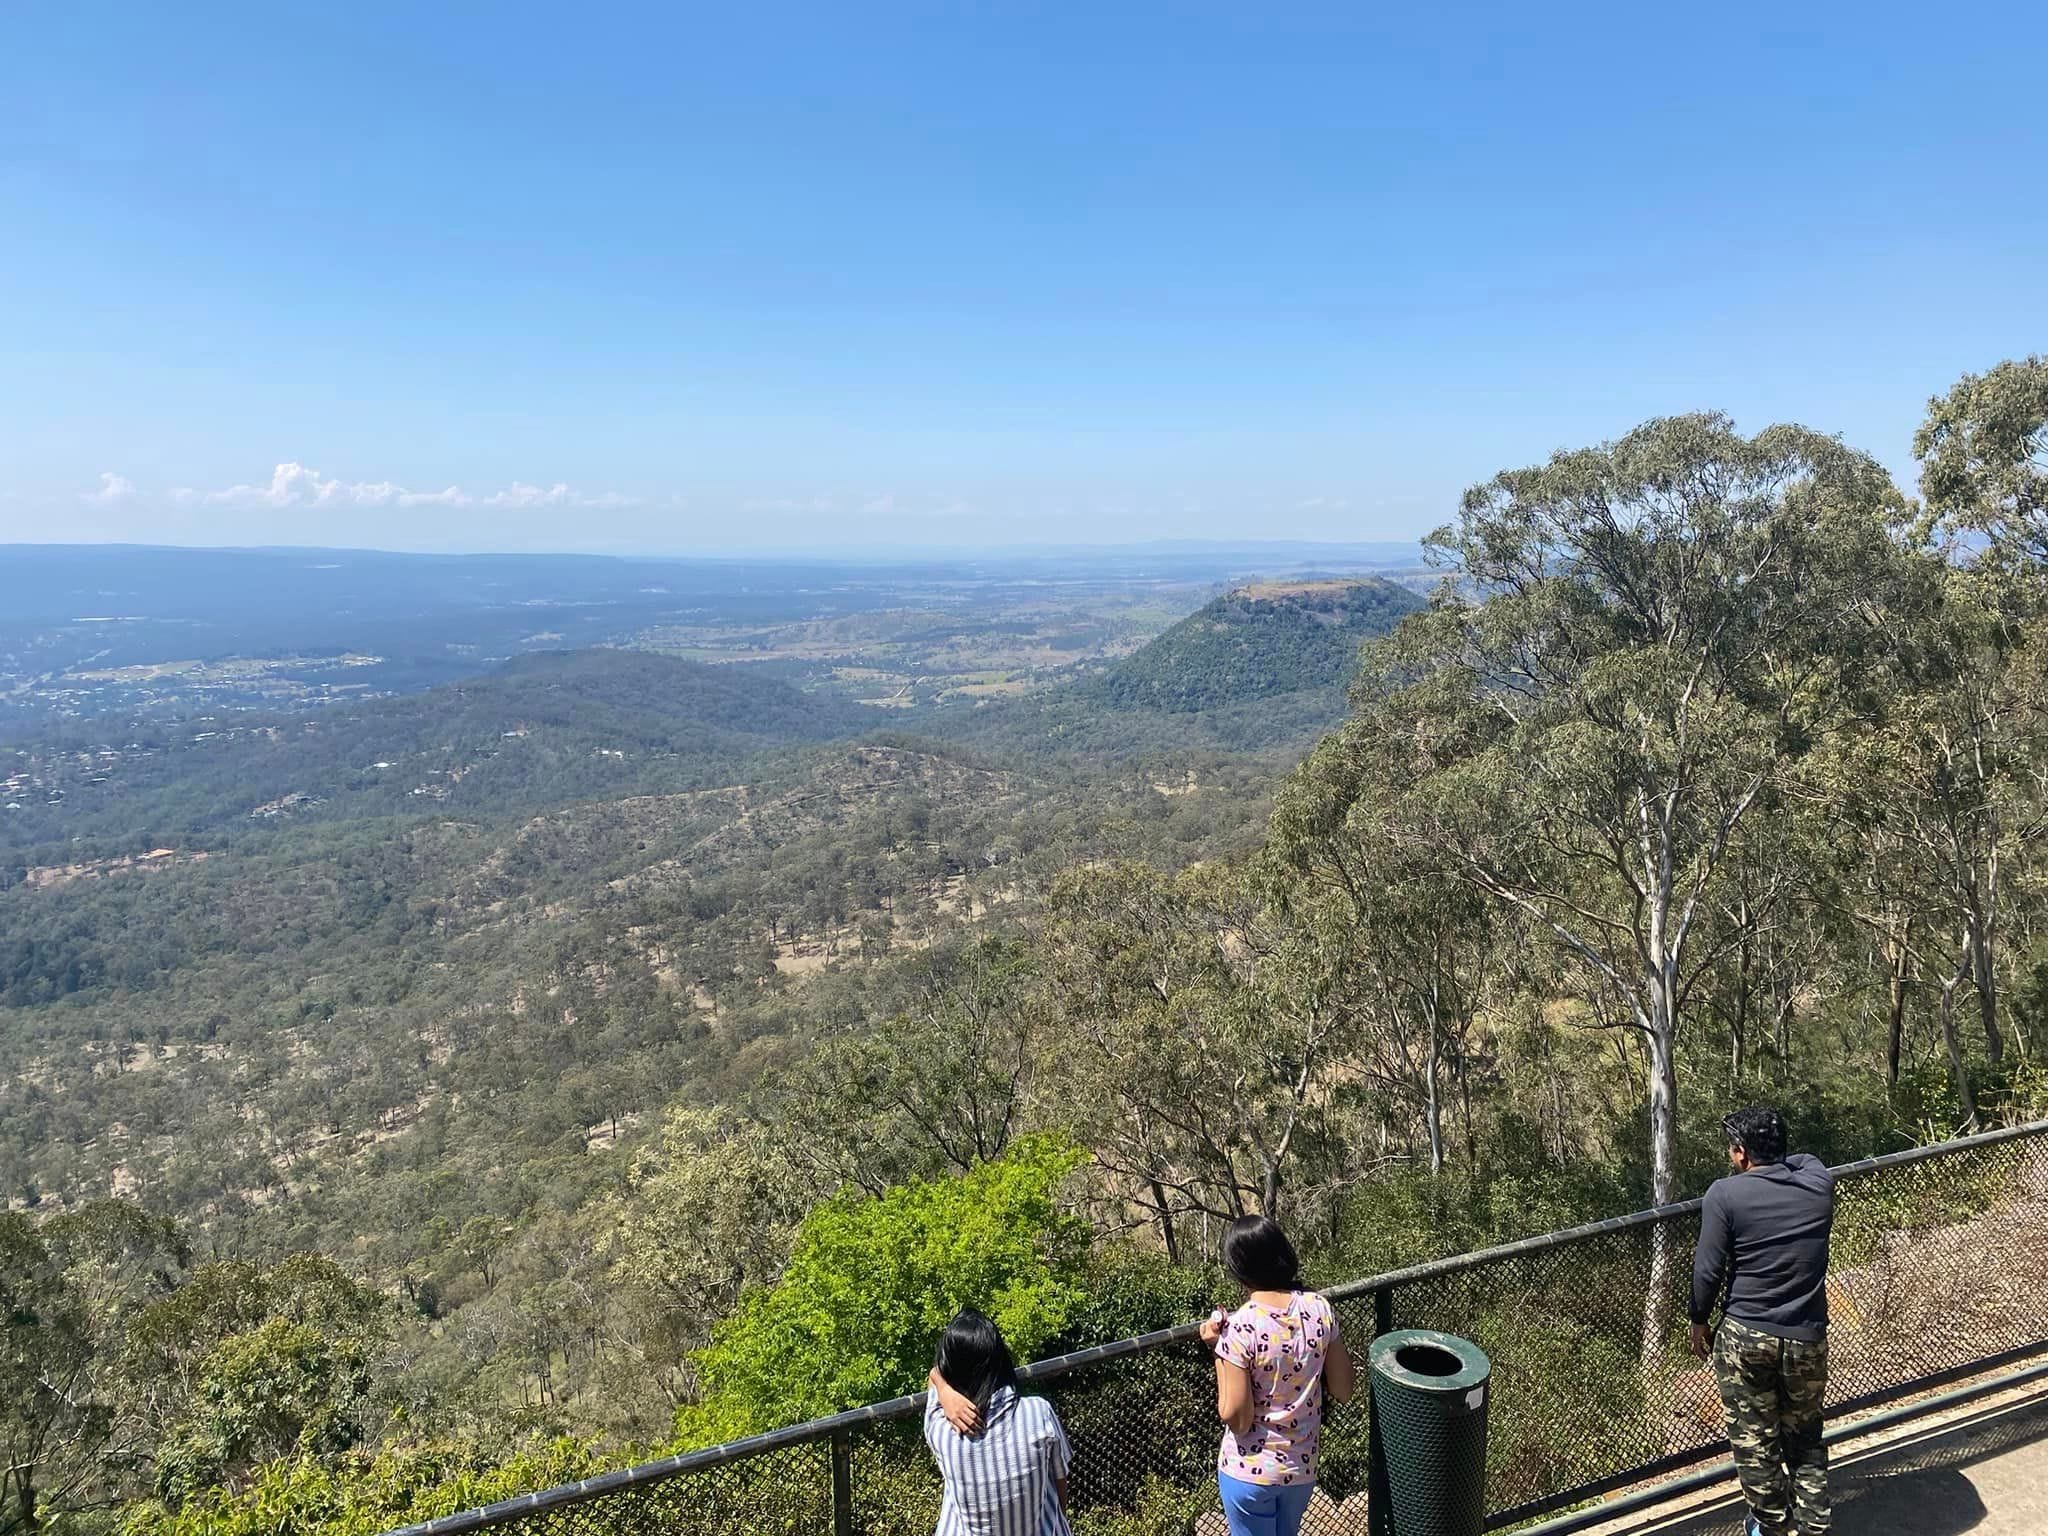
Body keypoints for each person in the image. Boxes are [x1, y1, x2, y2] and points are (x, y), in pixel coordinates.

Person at [1689, 1106, 1836, 1536]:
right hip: (1807, 1334)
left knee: (1755, 1440)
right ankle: (1815, 1526)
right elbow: (1805, 1156)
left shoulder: (1725, 1195)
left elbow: (1707, 1270)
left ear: (1739, 1154)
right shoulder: (1816, 1182)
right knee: (1805, 1438)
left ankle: (1770, 1527)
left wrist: (1699, 1320)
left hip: (1746, 1334)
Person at [1197, 1215, 1356, 1536]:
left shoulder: (1241, 1327)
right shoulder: (1318, 1308)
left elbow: (1235, 1418)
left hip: (1249, 1472)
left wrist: (1218, 1349)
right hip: (1300, 1470)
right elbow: (1344, 1388)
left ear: (1238, 1268)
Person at [924, 1308, 1073, 1536]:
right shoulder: (1039, 1413)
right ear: (1000, 1361)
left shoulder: (944, 1432)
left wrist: (944, 1388)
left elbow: (933, 1377)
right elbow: (1060, 1480)